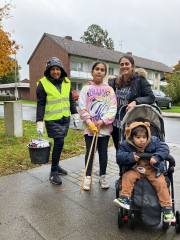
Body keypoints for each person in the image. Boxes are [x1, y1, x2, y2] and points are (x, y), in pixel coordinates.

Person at [113, 122, 175, 223]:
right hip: (135, 169)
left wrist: (157, 156)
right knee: (127, 176)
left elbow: (164, 148)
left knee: (161, 183)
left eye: (144, 137)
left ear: (148, 136)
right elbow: (119, 156)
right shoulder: (126, 144)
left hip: (152, 170)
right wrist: (130, 157)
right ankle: (125, 199)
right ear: (132, 138)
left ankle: (167, 208)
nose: (142, 140)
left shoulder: (154, 141)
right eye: (138, 137)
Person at [36, 57, 79, 185]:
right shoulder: (42, 83)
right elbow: (41, 104)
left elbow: (71, 100)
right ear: (48, 70)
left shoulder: (67, 82)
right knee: (59, 143)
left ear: (61, 70)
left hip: (64, 119)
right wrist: (39, 122)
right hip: (52, 120)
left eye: (58, 69)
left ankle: (56, 166)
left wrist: (75, 115)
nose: (55, 72)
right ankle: (53, 172)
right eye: (53, 69)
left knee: (59, 144)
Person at [79, 61, 117, 190]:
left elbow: (113, 108)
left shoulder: (109, 90)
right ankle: (88, 177)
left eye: (102, 69)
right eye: (97, 69)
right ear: (92, 71)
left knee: (103, 153)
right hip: (90, 128)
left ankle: (102, 176)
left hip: (104, 128)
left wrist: (103, 121)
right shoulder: (86, 89)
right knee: (89, 152)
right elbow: (82, 108)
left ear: (105, 73)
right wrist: (89, 123)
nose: (99, 71)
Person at [108, 55, 155, 151]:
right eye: (122, 64)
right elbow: (103, 91)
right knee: (120, 151)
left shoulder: (140, 80)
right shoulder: (114, 82)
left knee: (133, 152)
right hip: (116, 124)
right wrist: (92, 85)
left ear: (132, 66)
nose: (124, 66)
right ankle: (121, 166)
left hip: (133, 124)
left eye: (127, 64)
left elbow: (151, 97)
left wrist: (136, 101)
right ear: (119, 66)